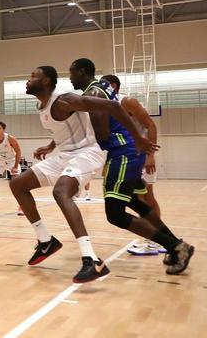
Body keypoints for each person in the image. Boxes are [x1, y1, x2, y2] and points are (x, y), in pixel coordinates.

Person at [9, 66, 158, 283]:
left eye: (33, 76)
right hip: (65, 155)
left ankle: (92, 260)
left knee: (61, 192)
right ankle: (46, 240)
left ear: (47, 81)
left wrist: (138, 138)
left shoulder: (65, 100)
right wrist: (50, 147)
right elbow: (66, 130)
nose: (27, 79)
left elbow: (111, 105)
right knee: (18, 184)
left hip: (88, 152)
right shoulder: (42, 105)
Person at [67, 60, 194, 275]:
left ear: (82, 72)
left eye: (71, 73)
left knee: (115, 214)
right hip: (127, 152)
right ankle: (178, 245)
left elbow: (103, 133)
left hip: (121, 153)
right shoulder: (101, 88)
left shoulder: (94, 94)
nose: (69, 78)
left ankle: (176, 247)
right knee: (134, 201)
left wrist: (79, 148)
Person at [102, 74, 165, 256]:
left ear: (113, 86)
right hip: (126, 157)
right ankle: (154, 237)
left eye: (103, 85)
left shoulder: (127, 102)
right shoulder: (107, 106)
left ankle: (156, 240)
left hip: (141, 155)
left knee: (148, 198)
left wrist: (150, 156)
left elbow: (150, 126)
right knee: (136, 200)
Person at [0, 121, 23, 215]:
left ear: (3, 129)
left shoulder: (10, 138)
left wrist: (15, 166)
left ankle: (21, 206)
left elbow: (18, 151)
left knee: (16, 183)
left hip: (11, 162)